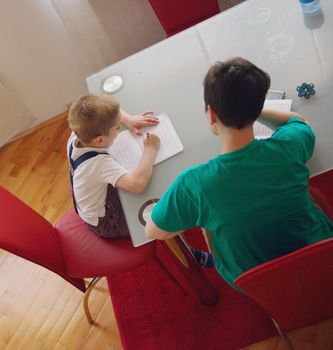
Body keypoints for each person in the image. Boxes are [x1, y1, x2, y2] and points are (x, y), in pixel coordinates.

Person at [145, 57, 333, 289]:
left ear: (211, 114)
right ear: (255, 110)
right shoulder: (289, 148)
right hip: (321, 256)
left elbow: (154, 231)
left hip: (256, 282)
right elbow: (298, 121)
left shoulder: (193, 185)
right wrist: (251, 107)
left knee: (209, 224)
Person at [67, 93, 160, 238]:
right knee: (158, 216)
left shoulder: (77, 135)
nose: (119, 128)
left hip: (91, 204)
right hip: (107, 222)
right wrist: (150, 148)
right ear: (100, 141)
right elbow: (138, 184)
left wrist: (129, 119)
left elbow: (113, 113)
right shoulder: (98, 164)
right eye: (117, 128)